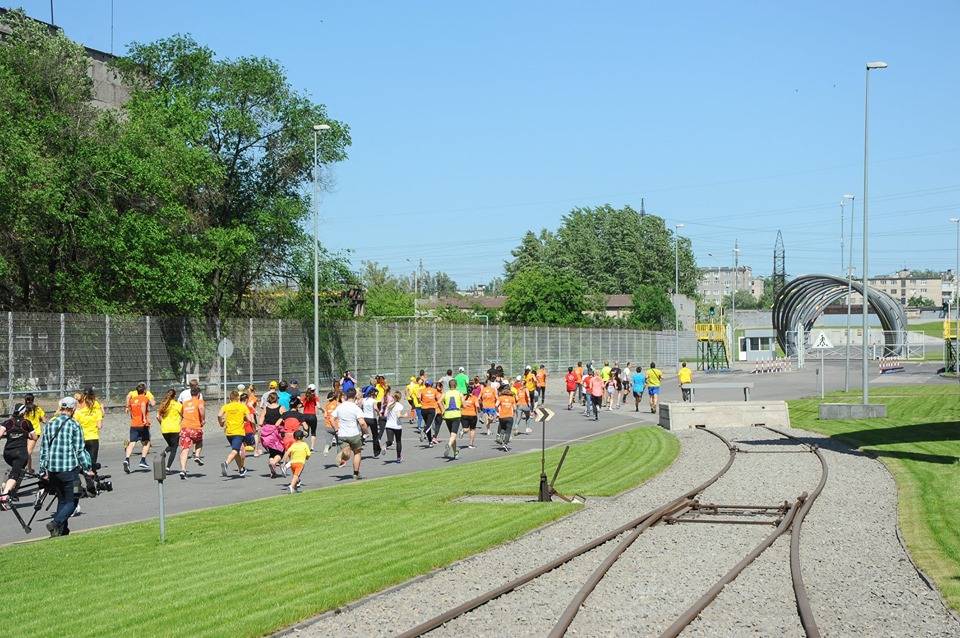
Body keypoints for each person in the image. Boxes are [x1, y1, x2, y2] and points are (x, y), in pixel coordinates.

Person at [38, 397, 92, 537]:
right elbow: (80, 450)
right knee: (73, 500)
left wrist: (43, 469)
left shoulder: (50, 424)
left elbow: (44, 449)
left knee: (62, 500)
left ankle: (62, 531)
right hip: (70, 472)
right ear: (73, 409)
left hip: (53, 471)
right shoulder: (74, 425)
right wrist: (87, 467)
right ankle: (55, 523)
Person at [0, 404, 35, 511]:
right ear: (23, 412)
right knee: (16, 474)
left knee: (15, 471)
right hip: (20, 454)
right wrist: (26, 435)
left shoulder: (8, 422)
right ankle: (4, 496)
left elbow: (0, 434)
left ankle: (6, 485)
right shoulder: (26, 423)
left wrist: (9, 435)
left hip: (8, 453)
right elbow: (34, 437)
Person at [332, 388, 367, 480]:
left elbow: (331, 418)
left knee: (347, 455)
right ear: (355, 396)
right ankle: (356, 473)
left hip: (342, 434)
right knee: (357, 452)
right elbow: (362, 423)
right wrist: (366, 432)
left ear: (346, 396)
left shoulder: (340, 406)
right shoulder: (356, 408)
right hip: (354, 433)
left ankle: (342, 455)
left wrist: (336, 429)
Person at [218, 390, 251, 477]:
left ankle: (241, 469)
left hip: (229, 432)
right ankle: (226, 463)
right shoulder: (242, 407)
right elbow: (249, 418)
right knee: (235, 450)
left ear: (230, 398)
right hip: (238, 432)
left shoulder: (226, 406)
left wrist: (221, 423)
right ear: (238, 398)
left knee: (236, 450)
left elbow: (219, 415)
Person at [124, 382, 153, 473]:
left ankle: (127, 459)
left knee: (132, 442)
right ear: (144, 390)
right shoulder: (145, 398)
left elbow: (129, 409)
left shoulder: (133, 400)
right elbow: (146, 405)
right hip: (142, 424)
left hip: (133, 424)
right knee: (147, 443)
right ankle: (143, 460)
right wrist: (144, 417)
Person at [177, 386, 205, 479]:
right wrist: (203, 419)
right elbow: (201, 409)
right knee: (199, 441)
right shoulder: (199, 401)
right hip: (195, 427)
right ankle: (197, 455)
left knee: (185, 449)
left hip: (185, 427)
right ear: (198, 394)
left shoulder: (185, 403)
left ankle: (183, 469)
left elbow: (180, 412)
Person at [73, 387, 104, 470]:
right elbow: (99, 425)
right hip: (93, 438)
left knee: (83, 462)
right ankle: (92, 476)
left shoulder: (79, 411)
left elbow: (74, 423)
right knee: (92, 463)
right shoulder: (96, 407)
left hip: (82, 438)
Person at [155, 389, 182, 472]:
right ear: (175, 396)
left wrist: (162, 424)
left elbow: (157, 417)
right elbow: (183, 416)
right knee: (174, 448)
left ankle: (166, 451)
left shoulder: (163, 405)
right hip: (175, 429)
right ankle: (167, 467)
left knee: (171, 445)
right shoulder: (178, 405)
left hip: (165, 429)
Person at [440, 379, 463, 459]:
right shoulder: (459, 393)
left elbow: (439, 402)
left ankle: (455, 453)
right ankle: (449, 445)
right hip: (456, 414)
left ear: (449, 386)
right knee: (453, 434)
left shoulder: (446, 393)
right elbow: (463, 403)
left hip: (448, 415)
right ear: (456, 385)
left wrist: (443, 409)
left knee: (452, 435)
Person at [259, 414, 286, 478]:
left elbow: (260, 422)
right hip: (276, 438)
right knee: (280, 453)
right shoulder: (280, 409)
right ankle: (273, 462)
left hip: (268, 439)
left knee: (272, 454)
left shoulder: (266, 410)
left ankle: (272, 470)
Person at [23, 393, 45, 471]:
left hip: (25, 432)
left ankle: (27, 468)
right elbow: (43, 420)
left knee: (26, 450)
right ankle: (28, 468)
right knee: (28, 451)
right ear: (33, 400)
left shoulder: (23, 409)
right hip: (35, 432)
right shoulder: (38, 409)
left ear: (25, 400)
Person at [383, 391, 405, 463]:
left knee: (390, 441)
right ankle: (398, 457)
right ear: (400, 398)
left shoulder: (389, 404)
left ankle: (385, 445)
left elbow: (386, 414)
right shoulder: (399, 406)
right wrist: (405, 416)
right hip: (397, 426)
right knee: (398, 441)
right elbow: (398, 415)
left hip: (389, 425)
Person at [361, 387, 382, 458]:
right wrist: (379, 413)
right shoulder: (373, 400)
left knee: (364, 432)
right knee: (375, 435)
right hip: (372, 419)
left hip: (365, 418)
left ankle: (360, 443)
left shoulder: (363, 400)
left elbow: (360, 407)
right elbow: (375, 408)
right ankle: (376, 451)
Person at [418, 380, 440, 446]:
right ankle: (424, 431)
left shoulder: (422, 390)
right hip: (431, 409)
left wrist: (422, 401)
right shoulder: (434, 390)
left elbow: (419, 398)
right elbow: (438, 399)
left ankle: (430, 442)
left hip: (423, 409)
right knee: (429, 425)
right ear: (431, 384)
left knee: (428, 425)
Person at [495, 386, 517, 451]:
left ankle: (500, 437)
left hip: (502, 416)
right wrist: (514, 413)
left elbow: (496, 405)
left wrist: (498, 411)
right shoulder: (512, 398)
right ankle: (505, 443)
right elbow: (515, 408)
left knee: (503, 428)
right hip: (509, 416)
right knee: (508, 431)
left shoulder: (500, 398)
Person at [460, 384, 479, 449]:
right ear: (472, 391)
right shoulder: (474, 398)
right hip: (472, 415)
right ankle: (470, 444)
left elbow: (460, 405)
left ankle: (463, 430)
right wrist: (478, 411)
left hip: (464, 415)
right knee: (472, 430)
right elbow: (477, 406)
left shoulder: (464, 397)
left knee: (466, 429)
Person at [302, 383, 319, 451]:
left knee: (305, 431)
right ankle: (312, 448)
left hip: (305, 415)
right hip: (312, 416)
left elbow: (301, 404)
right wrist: (322, 410)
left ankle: (303, 446)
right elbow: (318, 406)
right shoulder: (315, 397)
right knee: (313, 432)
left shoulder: (305, 397)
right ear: (314, 390)